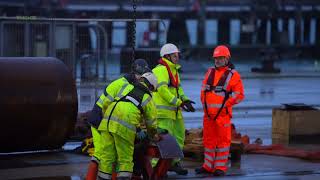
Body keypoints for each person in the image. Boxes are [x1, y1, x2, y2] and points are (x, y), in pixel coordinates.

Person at [86, 59, 152, 178]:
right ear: (136, 74)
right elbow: (108, 107)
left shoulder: (130, 85)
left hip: (107, 121)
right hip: (99, 120)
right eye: (141, 77)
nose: (143, 80)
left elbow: (123, 111)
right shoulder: (122, 84)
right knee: (101, 154)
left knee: (110, 156)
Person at [96, 71, 159, 180]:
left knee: (106, 158)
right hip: (124, 129)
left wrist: (107, 118)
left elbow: (106, 102)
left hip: (107, 124)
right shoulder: (147, 97)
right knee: (125, 159)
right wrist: (153, 135)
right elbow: (151, 122)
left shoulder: (125, 87)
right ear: (151, 87)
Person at [195, 45, 245, 176]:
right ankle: (207, 166)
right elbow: (203, 90)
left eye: (221, 58)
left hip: (222, 115)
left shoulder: (233, 75)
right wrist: (205, 106)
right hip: (208, 115)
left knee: (223, 142)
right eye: (216, 58)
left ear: (227, 58)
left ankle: (220, 168)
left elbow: (239, 95)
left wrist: (225, 105)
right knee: (208, 141)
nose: (217, 60)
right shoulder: (210, 72)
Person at [152, 43, 195, 175]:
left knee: (179, 136)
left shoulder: (173, 70)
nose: (177, 57)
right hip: (163, 112)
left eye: (177, 55)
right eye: (174, 55)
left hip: (174, 111)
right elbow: (162, 90)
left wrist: (185, 100)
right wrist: (179, 102)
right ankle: (156, 166)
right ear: (166, 56)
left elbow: (178, 89)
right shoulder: (160, 70)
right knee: (163, 140)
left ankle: (173, 163)